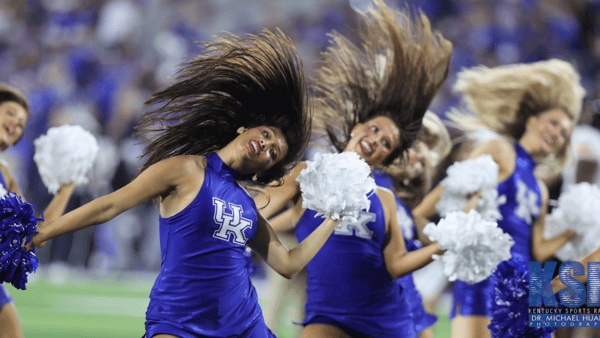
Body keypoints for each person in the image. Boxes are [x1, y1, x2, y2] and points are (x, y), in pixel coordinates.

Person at [26, 29, 343, 338]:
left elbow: (287, 264)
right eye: (266, 134)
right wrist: (44, 233)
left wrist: (334, 218)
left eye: (273, 153)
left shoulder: (247, 205)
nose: (266, 145)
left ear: (264, 171)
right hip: (178, 323)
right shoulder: (184, 169)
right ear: (243, 128)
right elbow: (108, 205)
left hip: (244, 327)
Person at [255, 2, 452, 337]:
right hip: (327, 315)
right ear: (356, 127)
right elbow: (258, 208)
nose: (376, 141)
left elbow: (396, 265)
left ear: (387, 159)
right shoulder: (307, 173)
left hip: (386, 319)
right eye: (374, 130)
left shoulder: (386, 199)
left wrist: (445, 244)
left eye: (387, 143)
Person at [412, 59, 585, 338]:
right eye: (553, 123)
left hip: (525, 286)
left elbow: (538, 251)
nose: (557, 133)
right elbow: (425, 210)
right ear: (531, 121)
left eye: (564, 133)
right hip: (484, 279)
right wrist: (449, 244)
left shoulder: (540, 189)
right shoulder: (498, 149)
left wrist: (572, 230)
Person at [0, 83, 77, 338]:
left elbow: (37, 233)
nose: (15, 124)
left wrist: (68, 185)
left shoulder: (5, 174)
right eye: (10, 113)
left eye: (22, 123)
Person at [371, 110, 452, 338]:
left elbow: (437, 240)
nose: (417, 162)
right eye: (415, 148)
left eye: (423, 163)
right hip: (370, 304)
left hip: (400, 301)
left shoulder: (403, 206)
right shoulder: (369, 183)